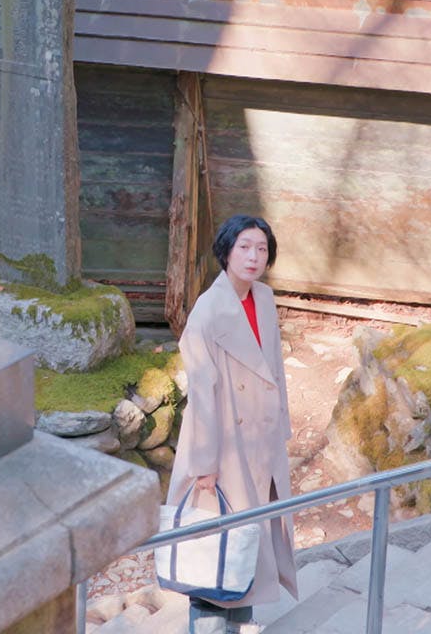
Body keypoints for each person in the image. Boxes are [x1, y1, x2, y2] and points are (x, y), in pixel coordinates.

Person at [167, 214, 298, 634]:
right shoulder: (207, 311)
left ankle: (240, 627)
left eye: (261, 248)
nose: (253, 256)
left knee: (248, 544)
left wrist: (281, 428)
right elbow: (202, 392)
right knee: (214, 549)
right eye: (244, 247)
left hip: (260, 439)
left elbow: (274, 369)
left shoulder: (263, 297)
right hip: (223, 445)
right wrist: (204, 463)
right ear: (226, 252)